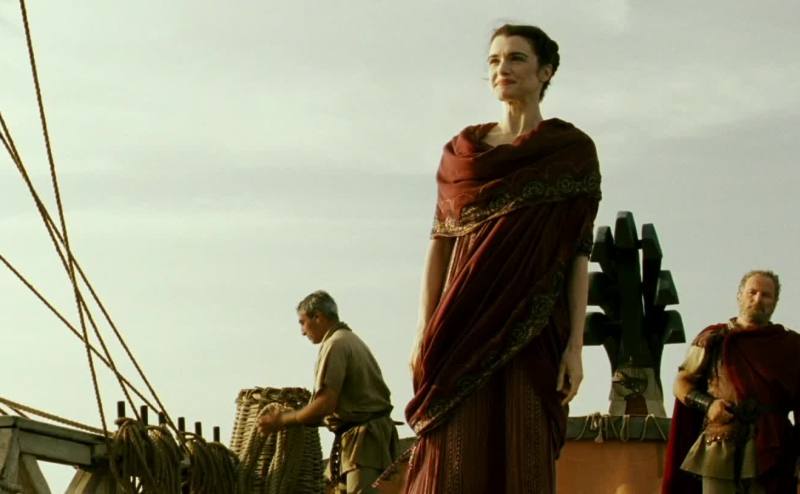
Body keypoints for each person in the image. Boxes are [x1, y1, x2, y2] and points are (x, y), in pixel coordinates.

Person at [404, 24, 601, 493]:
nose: (502, 69)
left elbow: (578, 254)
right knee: (455, 457)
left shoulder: (570, 152)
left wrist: (575, 346)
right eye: (494, 60)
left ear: (545, 71)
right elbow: (440, 243)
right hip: (460, 325)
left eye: (516, 58)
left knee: (524, 449)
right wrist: (423, 331)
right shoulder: (462, 155)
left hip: (534, 327)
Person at [663, 270, 800, 493]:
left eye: (766, 295)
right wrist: (708, 405)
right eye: (752, 292)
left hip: (773, 447)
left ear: (775, 301)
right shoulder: (713, 338)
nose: (758, 299)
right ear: (740, 295)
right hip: (720, 444)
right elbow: (681, 382)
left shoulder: (791, 345)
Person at [258, 290, 399, 494]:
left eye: (302, 322)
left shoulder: (336, 344)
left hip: (365, 444)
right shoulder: (350, 339)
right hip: (361, 441)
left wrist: (283, 420)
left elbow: (325, 404)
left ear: (318, 317)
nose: (302, 331)